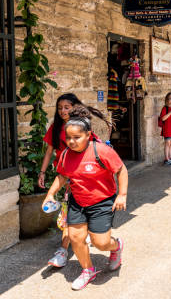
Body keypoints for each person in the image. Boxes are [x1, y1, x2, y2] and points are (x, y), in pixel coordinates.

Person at [42, 105, 128, 291]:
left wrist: (122, 195)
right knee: (75, 237)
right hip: (78, 201)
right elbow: (63, 176)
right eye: (69, 138)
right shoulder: (65, 154)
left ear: (88, 134)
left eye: (77, 137)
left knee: (101, 242)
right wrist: (50, 193)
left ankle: (116, 246)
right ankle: (88, 269)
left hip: (102, 202)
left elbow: (121, 170)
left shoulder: (101, 151)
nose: (72, 142)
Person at [38, 93, 107, 269]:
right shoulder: (55, 128)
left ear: (74, 107)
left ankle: (67, 247)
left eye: (66, 107)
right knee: (69, 211)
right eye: (60, 108)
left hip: (83, 175)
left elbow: (95, 150)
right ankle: (64, 249)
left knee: (75, 211)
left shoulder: (82, 127)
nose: (62, 111)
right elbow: (49, 152)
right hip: (65, 175)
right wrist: (43, 172)